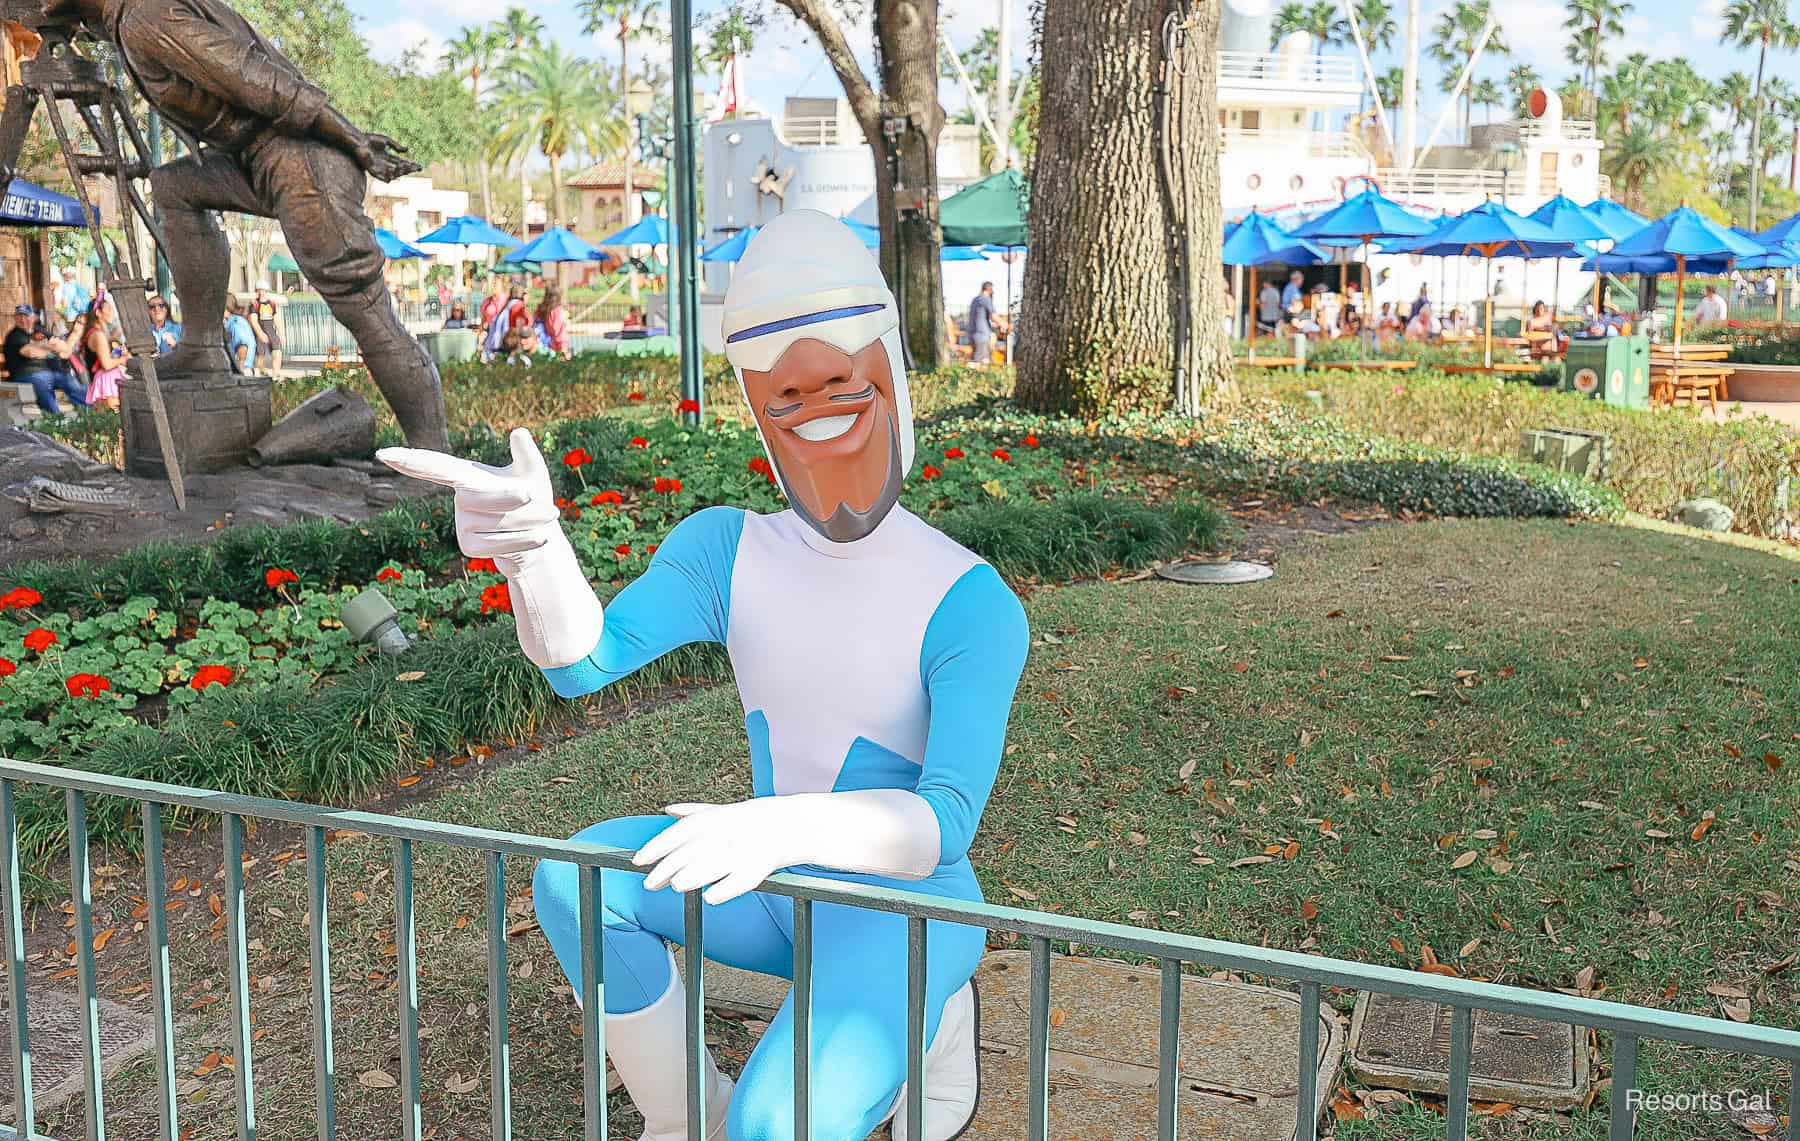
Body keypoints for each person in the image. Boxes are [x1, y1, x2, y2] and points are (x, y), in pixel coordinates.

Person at [378, 210, 1024, 1141]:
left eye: (841, 370)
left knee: (775, 1128)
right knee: (579, 880)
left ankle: (934, 1011)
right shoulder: (728, 549)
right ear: (758, 407)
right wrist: (533, 551)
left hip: (905, 913)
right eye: (785, 391)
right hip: (766, 886)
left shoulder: (972, 601)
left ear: (889, 364)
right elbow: (581, 662)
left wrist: (774, 825)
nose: (818, 400)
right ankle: (689, 1114)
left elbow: (941, 824)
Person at [54, 0, 448, 447]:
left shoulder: (149, 17)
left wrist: (352, 139)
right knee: (173, 186)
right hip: (256, 157)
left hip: (302, 163)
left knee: (367, 313)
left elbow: (261, 81)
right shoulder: (129, 21)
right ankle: (202, 347)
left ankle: (435, 461)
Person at [3, 305, 87, 415]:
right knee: (43, 381)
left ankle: (88, 413)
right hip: (26, 374)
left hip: (48, 372)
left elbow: (64, 349)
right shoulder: (15, 335)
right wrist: (50, 348)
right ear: (15, 318)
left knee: (69, 381)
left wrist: (44, 347)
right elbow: (30, 352)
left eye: (26, 316)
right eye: (19, 316)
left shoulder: (39, 330)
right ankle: (55, 419)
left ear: (33, 318)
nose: (23, 319)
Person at [81, 293, 129, 409]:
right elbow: (106, 364)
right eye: (108, 308)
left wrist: (119, 351)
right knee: (113, 419)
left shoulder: (101, 333)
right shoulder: (98, 335)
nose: (112, 311)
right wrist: (124, 359)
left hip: (108, 379)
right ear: (98, 313)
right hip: (106, 381)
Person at [251, 284, 283, 372]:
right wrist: (260, 333)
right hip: (260, 332)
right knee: (260, 356)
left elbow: (276, 319)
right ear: (257, 291)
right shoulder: (255, 304)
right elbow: (253, 320)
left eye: (264, 290)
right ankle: (259, 373)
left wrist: (281, 333)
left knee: (277, 352)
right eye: (260, 290)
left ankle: (276, 374)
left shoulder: (272, 303)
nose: (262, 293)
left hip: (271, 331)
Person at [966, 282, 999, 368]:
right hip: (982, 336)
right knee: (980, 363)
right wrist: (1005, 325)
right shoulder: (986, 299)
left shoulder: (975, 300)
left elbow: (979, 318)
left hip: (973, 335)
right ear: (990, 290)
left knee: (980, 360)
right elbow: (994, 316)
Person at [534, 285, 570, 359]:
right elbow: (558, 332)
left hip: (542, 346)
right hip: (555, 348)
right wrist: (564, 350)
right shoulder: (557, 311)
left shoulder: (540, 309)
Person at [223, 297, 258, 372]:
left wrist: (240, 367)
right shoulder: (236, 320)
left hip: (242, 365)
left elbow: (242, 344)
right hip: (244, 365)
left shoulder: (235, 322)